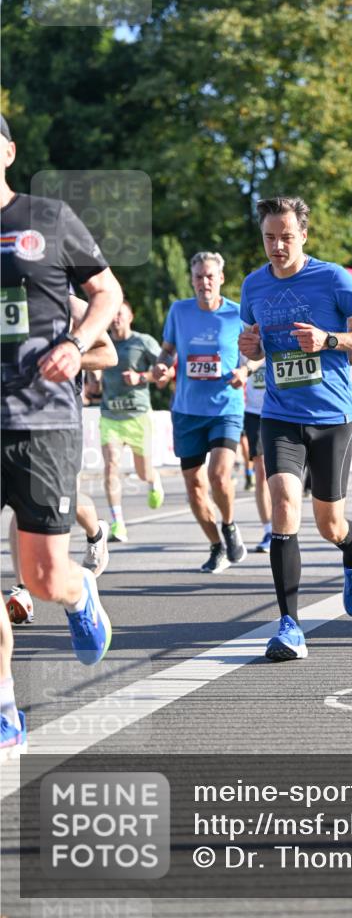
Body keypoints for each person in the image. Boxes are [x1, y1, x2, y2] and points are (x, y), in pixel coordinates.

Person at [1, 114, 122, 754]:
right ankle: (4, 708)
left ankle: (79, 594)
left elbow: (106, 291)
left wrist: (77, 344)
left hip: (41, 416)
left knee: (42, 577)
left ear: (9, 151)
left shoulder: (45, 218)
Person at [239, 195, 352, 660]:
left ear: (304, 234)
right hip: (280, 414)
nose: (277, 246)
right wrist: (250, 347)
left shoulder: (332, 278)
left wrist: (330, 339)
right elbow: (254, 348)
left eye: (286, 237)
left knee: (329, 523)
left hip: (332, 417)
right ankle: (289, 626)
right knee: (283, 504)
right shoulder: (253, 286)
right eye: (269, 238)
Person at [6, 294, 118, 624]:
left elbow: (107, 354)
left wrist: (66, 357)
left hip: (55, 420)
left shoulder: (73, 305)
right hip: (9, 418)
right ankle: (22, 588)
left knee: (51, 497)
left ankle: (96, 531)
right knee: (19, 499)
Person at [152, 251, 248, 571]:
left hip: (225, 407)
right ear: (191, 280)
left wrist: (245, 372)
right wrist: (162, 368)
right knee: (194, 487)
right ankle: (216, 545)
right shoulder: (179, 311)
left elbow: (255, 353)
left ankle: (230, 525)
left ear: (221, 278)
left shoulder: (238, 314)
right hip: (187, 410)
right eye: (198, 277)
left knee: (218, 476)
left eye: (210, 276)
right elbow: (167, 352)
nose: (204, 282)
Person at [94, 298, 165, 542]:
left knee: (142, 471)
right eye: (112, 314)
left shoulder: (143, 342)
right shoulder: (103, 342)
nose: (115, 319)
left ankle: (154, 480)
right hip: (110, 415)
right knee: (111, 466)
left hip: (138, 416)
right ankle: (118, 524)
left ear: (130, 316)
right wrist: (93, 381)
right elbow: (94, 370)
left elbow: (165, 372)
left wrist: (141, 377)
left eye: (120, 314)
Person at [243, 360, 273, 552]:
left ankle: (286, 526)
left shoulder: (277, 331)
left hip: (282, 409)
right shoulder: (241, 335)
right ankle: (269, 530)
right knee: (261, 471)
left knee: (283, 475)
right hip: (254, 413)